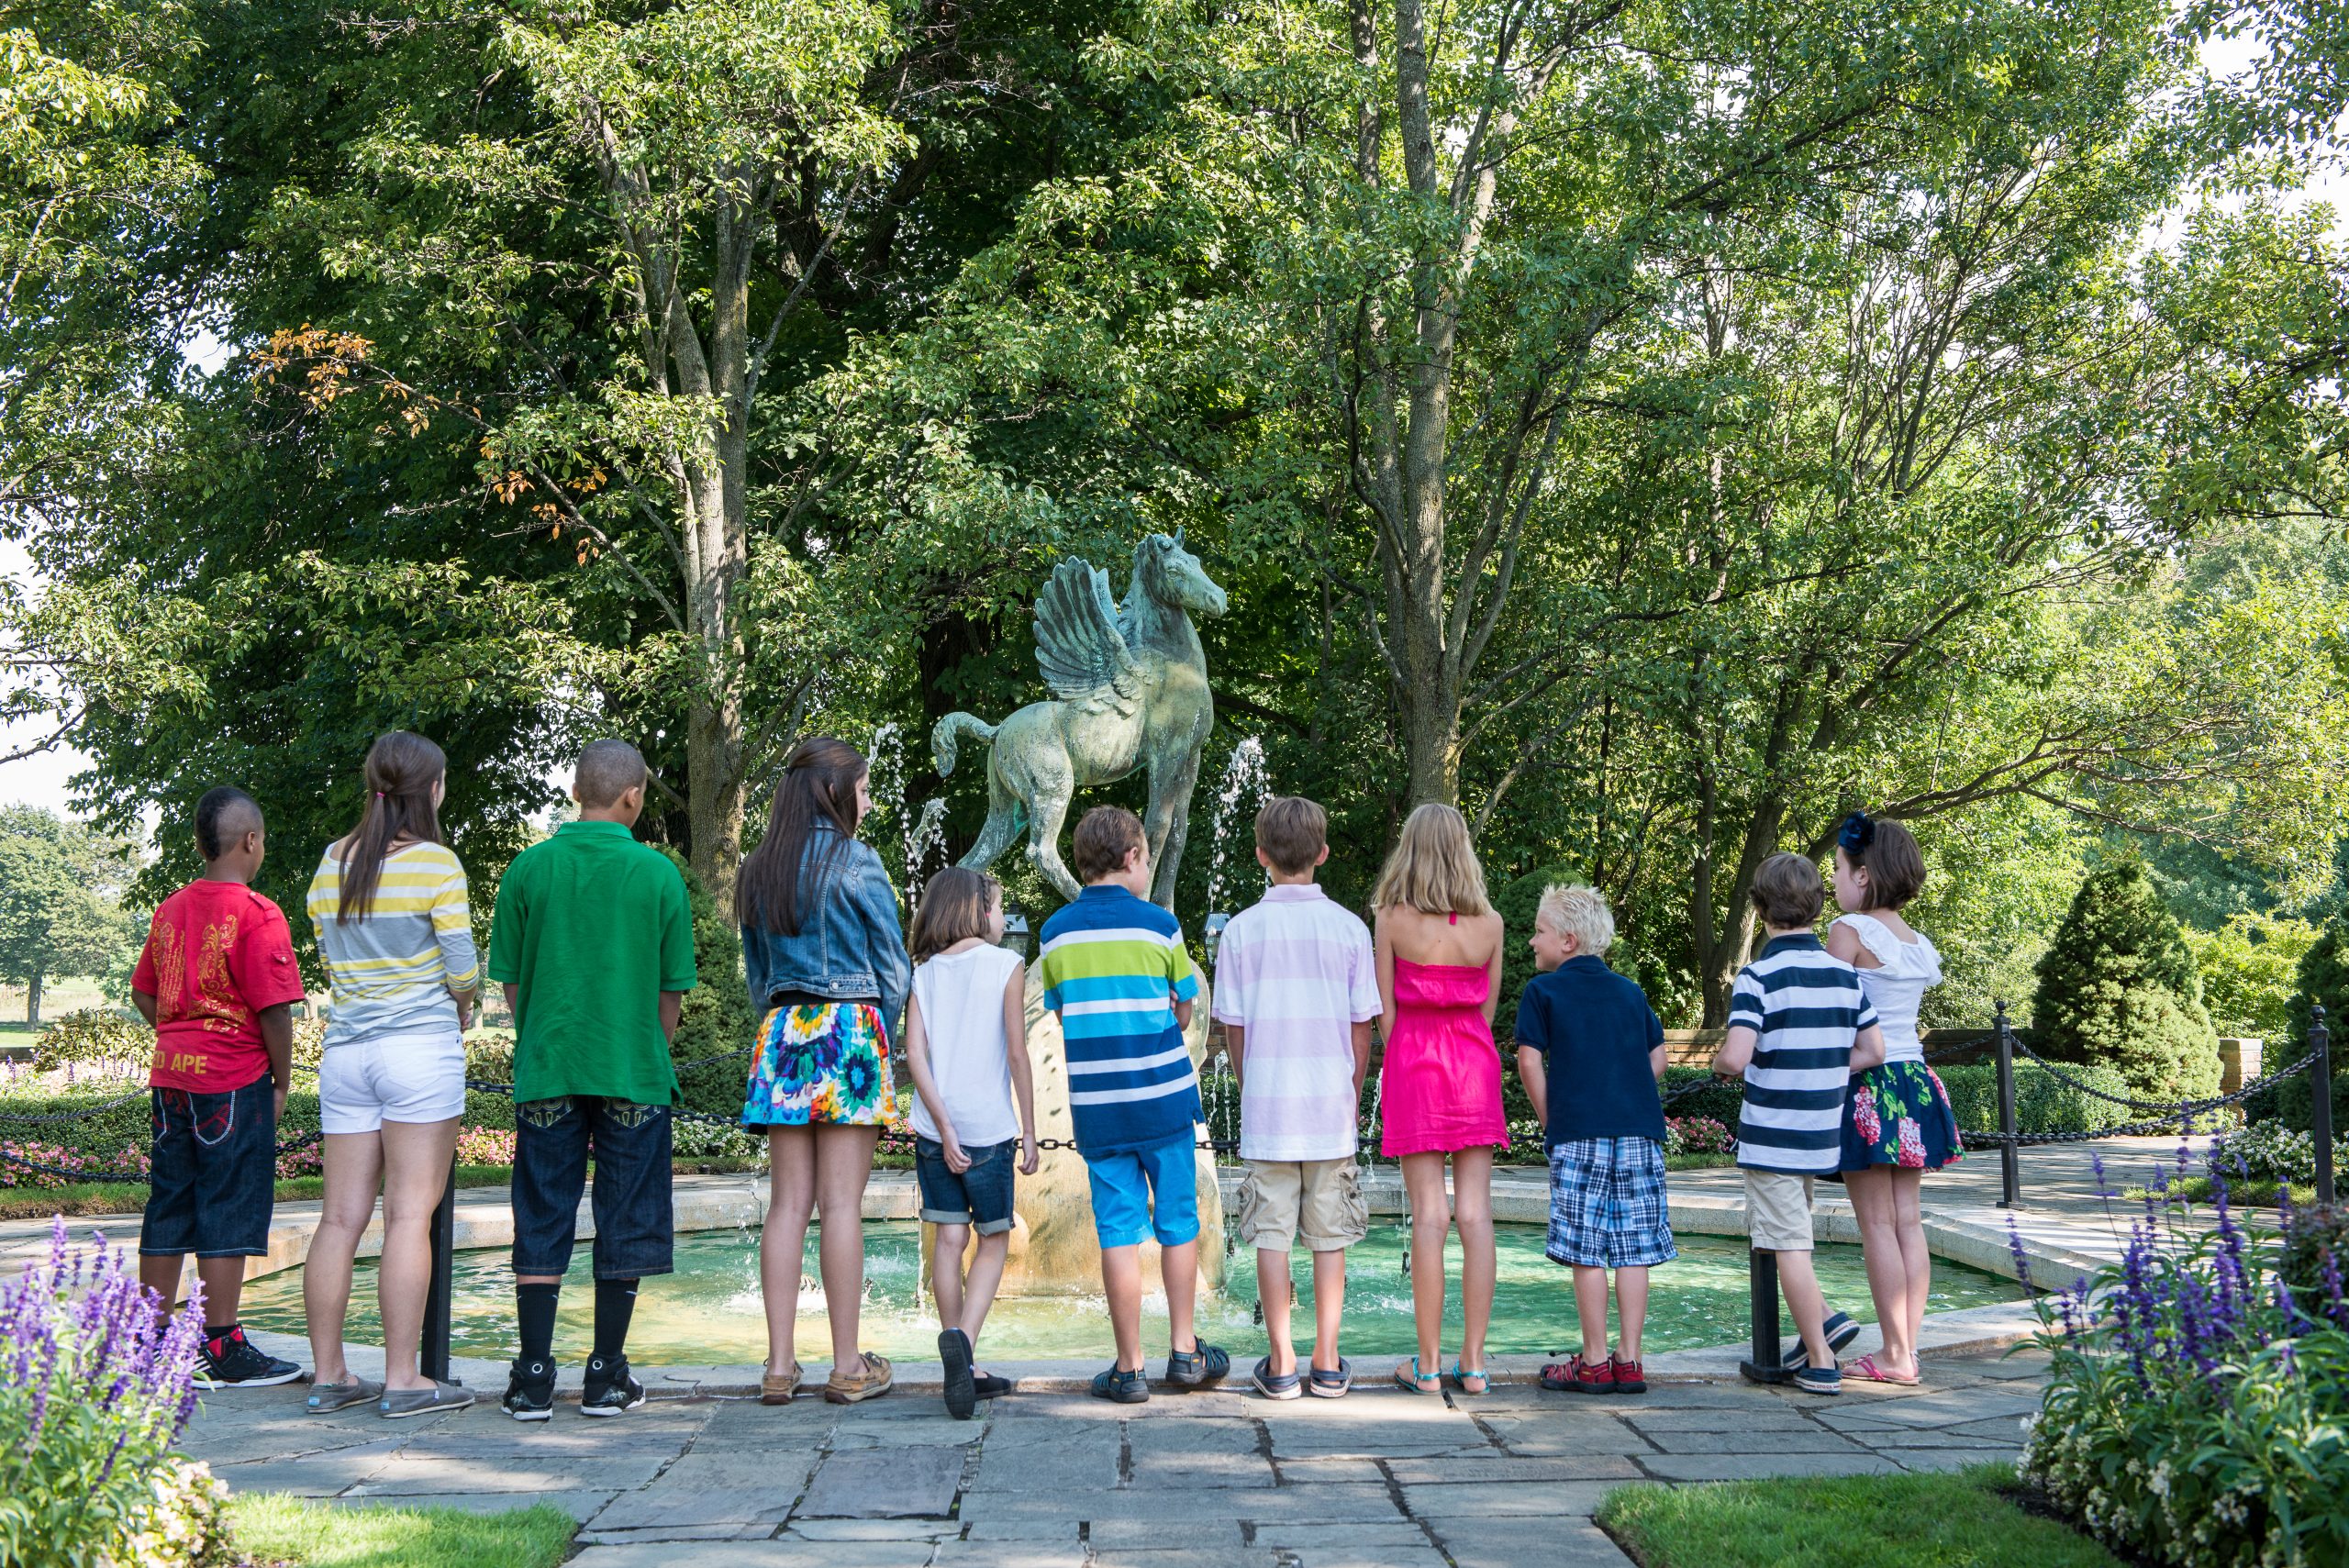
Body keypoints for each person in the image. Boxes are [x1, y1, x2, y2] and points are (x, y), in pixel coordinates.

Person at [489, 740, 697, 1421]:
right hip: (632, 1068)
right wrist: (649, 1051)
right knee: (627, 1214)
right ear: (633, 795)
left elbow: (514, 981)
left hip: (549, 1062)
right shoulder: (658, 875)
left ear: (579, 791)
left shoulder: (528, 868)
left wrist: (544, 1036)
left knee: (542, 1209)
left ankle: (534, 1374)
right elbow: (671, 991)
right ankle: (606, 1373)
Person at [303, 731, 482, 1418]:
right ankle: (403, 1378)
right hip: (417, 1051)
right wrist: (462, 1002)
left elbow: (332, 958)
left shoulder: (332, 863)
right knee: (409, 1213)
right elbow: (463, 969)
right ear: (429, 789)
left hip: (346, 1053)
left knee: (339, 1218)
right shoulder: (436, 863)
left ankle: (330, 1375)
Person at [737, 737, 910, 1407]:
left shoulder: (760, 868)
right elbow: (893, 968)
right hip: (849, 1030)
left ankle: (780, 1365)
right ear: (835, 792)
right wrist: (882, 1036)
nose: (867, 804)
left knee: (787, 1204)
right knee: (841, 1205)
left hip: (784, 1031)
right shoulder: (858, 861)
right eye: (863, 790)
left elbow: (757, 976)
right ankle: (847, 1364)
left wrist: (786, 1023)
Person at [1038, 806, 1227, 1404]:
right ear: (1131, 859)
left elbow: (1063, 1012)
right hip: (1165, 1102)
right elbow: (1187, 1008)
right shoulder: (1160, 925)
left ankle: (1129, 1367)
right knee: (1177, 1225)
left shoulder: (1054, 932)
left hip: (1100, 1110)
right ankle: (1185, 1349)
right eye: (1146, 856)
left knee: (1117, 1232)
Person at [131, 785, 307, 1388]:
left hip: (171, 1079)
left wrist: (180, 1035)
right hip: (234, 1082)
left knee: (170, 1201)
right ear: (250, 840)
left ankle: (150, 1341)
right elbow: (276, 1011)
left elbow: (143, 990)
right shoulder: (259, 913)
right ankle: (222, 1343)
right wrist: (282, 1082)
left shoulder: (170, 908)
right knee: (228, 1203)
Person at [1212, 795, 1377, 1400]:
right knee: (1330, 1237)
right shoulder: (1350, 929)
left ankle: (1281, 1362)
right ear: (1324, 854)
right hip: (1328, 1109)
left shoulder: (1240, 930)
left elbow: (1234, 1025)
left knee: (1272, 1237)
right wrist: (1352, 1088)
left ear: (1260, 856)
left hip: (1269, 1109)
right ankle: (1328, 1361)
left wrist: (1250, 1079)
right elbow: (1363, 1024)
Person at [1710, 851, 1886, 1396]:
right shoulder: (1844, 975)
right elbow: (1874, 1050)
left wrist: (1721, 1065)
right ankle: (1828, 1322)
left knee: (1788, 1245)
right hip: (1818, 1135)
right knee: (1792, 1234)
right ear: (1817, 905)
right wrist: (1825, 1064)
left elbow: (1736, 1058)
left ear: (1760, 907)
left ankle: (1820, 1360)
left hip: (1772, 1134)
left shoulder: (1758, 976)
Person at [1517, 884, 1674, 1398]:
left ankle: (1592, 1362)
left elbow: (1528, 1061)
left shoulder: (1544, 993)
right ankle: (1629, 1360)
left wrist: (1550, 1119)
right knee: (1633, 1250)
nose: (1531, 941)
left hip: (1578, 1133)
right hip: (1639, 1133)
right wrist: (1628, 1092)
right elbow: (1658, 1057)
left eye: (1539, 931)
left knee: (1587, 1251)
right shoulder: (1630, 993)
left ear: (1566, 940)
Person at [1374, 803, 1508, 1396]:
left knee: (1430, 1212)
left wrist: (1411, 1046)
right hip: (1475, 1063)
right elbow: (1488, 1010)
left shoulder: (1389, 918)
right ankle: (1474, 1364)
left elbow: (1385, 1014)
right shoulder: (1492, 924)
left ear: (1410, 849)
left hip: (1416, 1063)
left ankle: (1426, 1365)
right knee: (1475, 1213)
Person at [1828, 813, 1962, 1386]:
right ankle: (1906, 1349)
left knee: (1877, 1223)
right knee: (1908, 1221)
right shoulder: (1916, 941)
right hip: (1914, 1081)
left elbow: (1830, 1014)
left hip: (1868, 1081)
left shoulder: (1848, 931)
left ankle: (1893, 1356)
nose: (1833, 880)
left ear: (1863, 875)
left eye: (1838, 868)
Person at [903, 866, 1038, 1419]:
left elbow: (914, 1057)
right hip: (989, 1131)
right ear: (980, 911)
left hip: (935, 1131)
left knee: (948, 1242)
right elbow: (1016, 1053)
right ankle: (963, 1344)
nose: (1004, 918)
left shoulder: (924, 973)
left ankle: (961, 1361)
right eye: (1000, 906)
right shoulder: (1006, 964)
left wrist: (944, 1124)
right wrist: (1029, 1129)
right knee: (995, 1240)